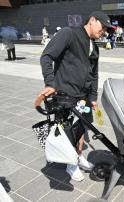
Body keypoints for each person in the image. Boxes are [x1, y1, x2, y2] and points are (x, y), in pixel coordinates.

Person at [39, 11, 112, 182]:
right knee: (68, 133)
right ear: (92, 20)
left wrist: (93, 97)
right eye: (103, 27)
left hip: (83, 98)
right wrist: (50, 83)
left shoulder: (94, 45)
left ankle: (78, 157)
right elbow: (46, 56)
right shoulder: (69, 34)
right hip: (65, 96)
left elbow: (94, 73)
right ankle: (70, 164)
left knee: (81, 130)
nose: (104, 32)